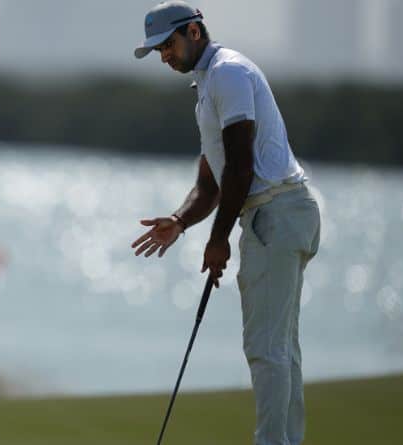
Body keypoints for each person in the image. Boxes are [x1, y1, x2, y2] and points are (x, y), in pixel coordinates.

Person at [129, 2, 321, 444]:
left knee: (266, 349)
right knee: (281, 348)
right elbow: (211, 181)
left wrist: (218, 240)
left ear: (194, 31)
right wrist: (179, 221)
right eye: (158, 50)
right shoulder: (208, 85)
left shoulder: (228, 74)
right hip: (283, 213)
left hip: (274, 213)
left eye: (168, 44)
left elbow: (240, 166)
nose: (164, 56)